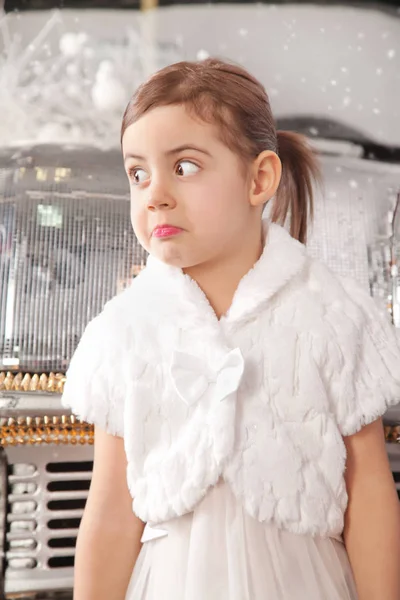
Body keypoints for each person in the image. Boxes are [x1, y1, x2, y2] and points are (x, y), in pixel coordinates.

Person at [61, 58, 400, 600]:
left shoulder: (332, 314)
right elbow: (110, 513)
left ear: (260, 178)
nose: (155, 195)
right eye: (137, 173)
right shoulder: (125, 329)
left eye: (186, 167)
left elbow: (370, 494)